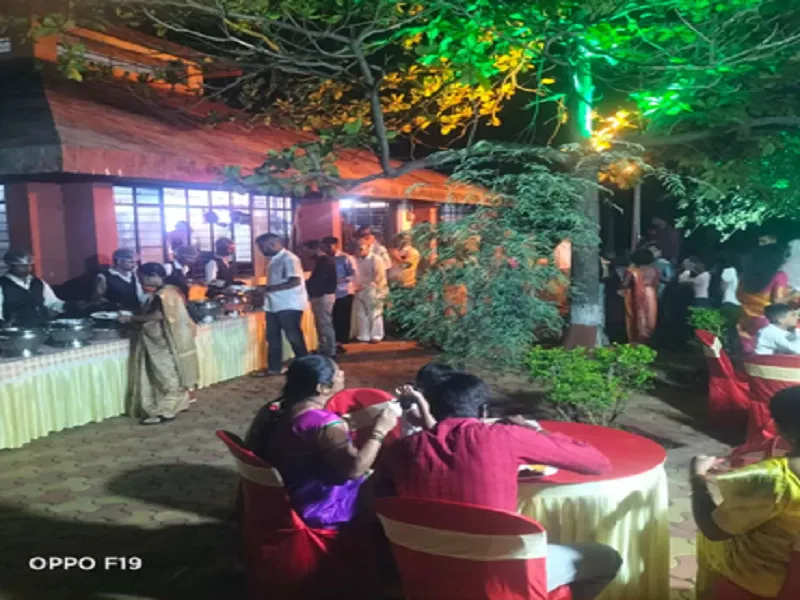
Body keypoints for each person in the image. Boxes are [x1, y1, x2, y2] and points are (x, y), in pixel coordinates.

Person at [378, 371, 620, 600]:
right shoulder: (503, 436)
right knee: (607, 558)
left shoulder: (401, 450)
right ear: (484, 411)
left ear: (428, 409)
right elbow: (598, 463)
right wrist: (537, 430)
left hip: (426, 578)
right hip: (502, 580)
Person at [245, 355, 398, 528]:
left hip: (290, 490)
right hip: (320, 505)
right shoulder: (322, 423)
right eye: (337, 372)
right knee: (390, 478)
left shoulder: (274, 409)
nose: (342, 373)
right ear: (322, 388)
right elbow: (354, 470)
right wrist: (379, 431)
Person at [692, 386, 800, 599]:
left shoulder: (774, 478)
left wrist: (697, 478)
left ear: (785, 430)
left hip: (754, 578)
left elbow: (714, 530)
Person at [121, 263, 199, 425]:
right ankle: (178, 404)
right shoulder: (172, 290)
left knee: (166, 376)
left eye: (142, 278)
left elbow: (157, 316)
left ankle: (164, 410)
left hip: (163, 340)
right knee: (175, 372)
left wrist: (130, 318)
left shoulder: (162, 295)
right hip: (175, 338)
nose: (141, 282)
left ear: (153, 276)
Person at [256, 233, 309, 375]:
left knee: (294, 337)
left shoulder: (289, 259)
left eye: (262, 247)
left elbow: (295, 281)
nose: (261, 250)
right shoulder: (273, 260)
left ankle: (306, 367)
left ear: (273, 244)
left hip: (289, 304)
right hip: (273, 305)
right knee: (272, 338)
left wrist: (268, 289)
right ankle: (274, 368)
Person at [737, 244, 793, 354]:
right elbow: (777, 302)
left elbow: (739, 295)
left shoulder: (745, 276)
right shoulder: (779, 276)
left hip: (744, 319)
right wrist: (794, 295)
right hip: (765, 322)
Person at [0, 250, 65, 325]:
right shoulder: (3, 284)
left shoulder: (39, 283)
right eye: (22, 266)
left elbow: (52, 302)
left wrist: (66, 306)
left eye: (29, 265)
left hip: (42, 327)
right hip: (15, 329)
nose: (28, 269)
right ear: (10, 266)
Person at [322, 236, 357, 354]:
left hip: (344, 292)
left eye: (329, 246)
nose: (327, 249)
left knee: (342, 319)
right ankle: (334, 343)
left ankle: (341, 343)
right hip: (330, 293)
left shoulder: (345, 258)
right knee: (332, 318)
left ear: (336, 245)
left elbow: (354, 274)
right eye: (325, 247)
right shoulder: (325, 259)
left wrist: (341, 280)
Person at [305, 240, 338, 358]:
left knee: (324, 323)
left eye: (308, 250)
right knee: (321, 323)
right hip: (322, 295)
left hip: (323, 295)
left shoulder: (325, 262)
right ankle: (325, 347)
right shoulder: (323, 261)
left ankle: (329, 349)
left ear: (316, 249)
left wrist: (308, 286)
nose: (307, 253)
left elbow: (319, 280)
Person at [622, 249, 660, 344]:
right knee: (650, 317)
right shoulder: (655, 270)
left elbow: (624, 284)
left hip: (636, 294)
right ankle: (647, 339)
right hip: (651, 294)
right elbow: (656, 283)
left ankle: (636, 340)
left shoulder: (633, 271)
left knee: (636, 316)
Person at [354, 239, 388, 344]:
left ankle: (376, 335)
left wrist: (373, 287)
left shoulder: (376, 259)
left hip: (373, 288)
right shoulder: (357, 260)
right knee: (361, 313)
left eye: (361, 248)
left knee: (374, 313)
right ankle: (364, 335)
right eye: (357, 248)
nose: (359, 251)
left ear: (368, 247)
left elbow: (379, 276)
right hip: (359, 289)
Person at [92, 248, 146, 313]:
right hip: (115, 315)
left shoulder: (133, 276)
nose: (134, 265)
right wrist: (112, 305)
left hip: (135, 314)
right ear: (119, 261)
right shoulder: (104, 277)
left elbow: (139, 295)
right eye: (131, 262)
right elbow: (97, 298)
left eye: (135, 262)